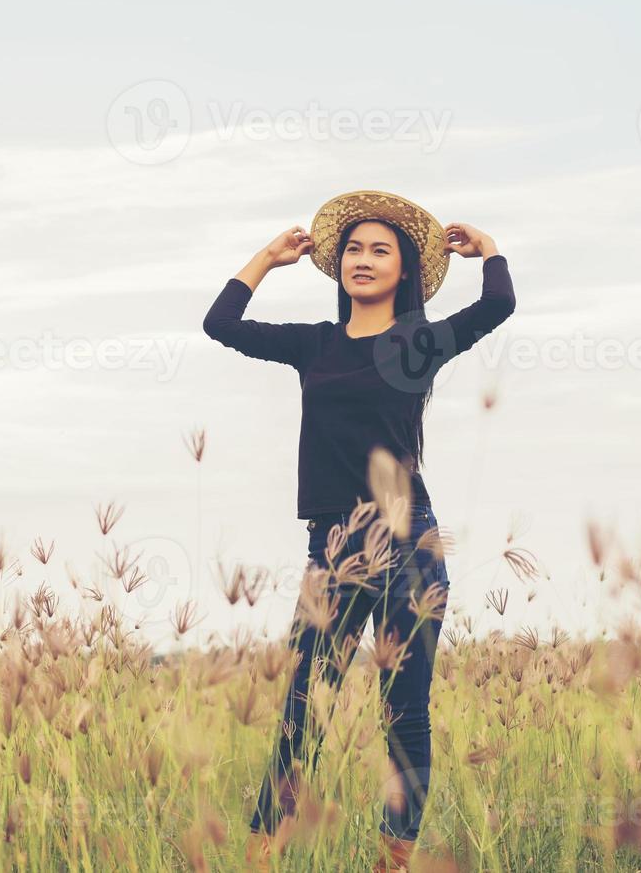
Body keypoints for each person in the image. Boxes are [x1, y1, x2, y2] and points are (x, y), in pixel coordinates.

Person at [201, 190, 517, 871]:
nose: (363, 259)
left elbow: (498, 307)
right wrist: (269, 257)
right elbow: (220, 323)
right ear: (337, 265)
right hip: (333, 548)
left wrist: (488, 250)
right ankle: (263, 856)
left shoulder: (419, 343)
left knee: (403, 715)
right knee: (301, 712)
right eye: (353, 248)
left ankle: (392, 861)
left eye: (381, 250)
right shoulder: (314, 344)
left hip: (410, 547)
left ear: (404, 271)